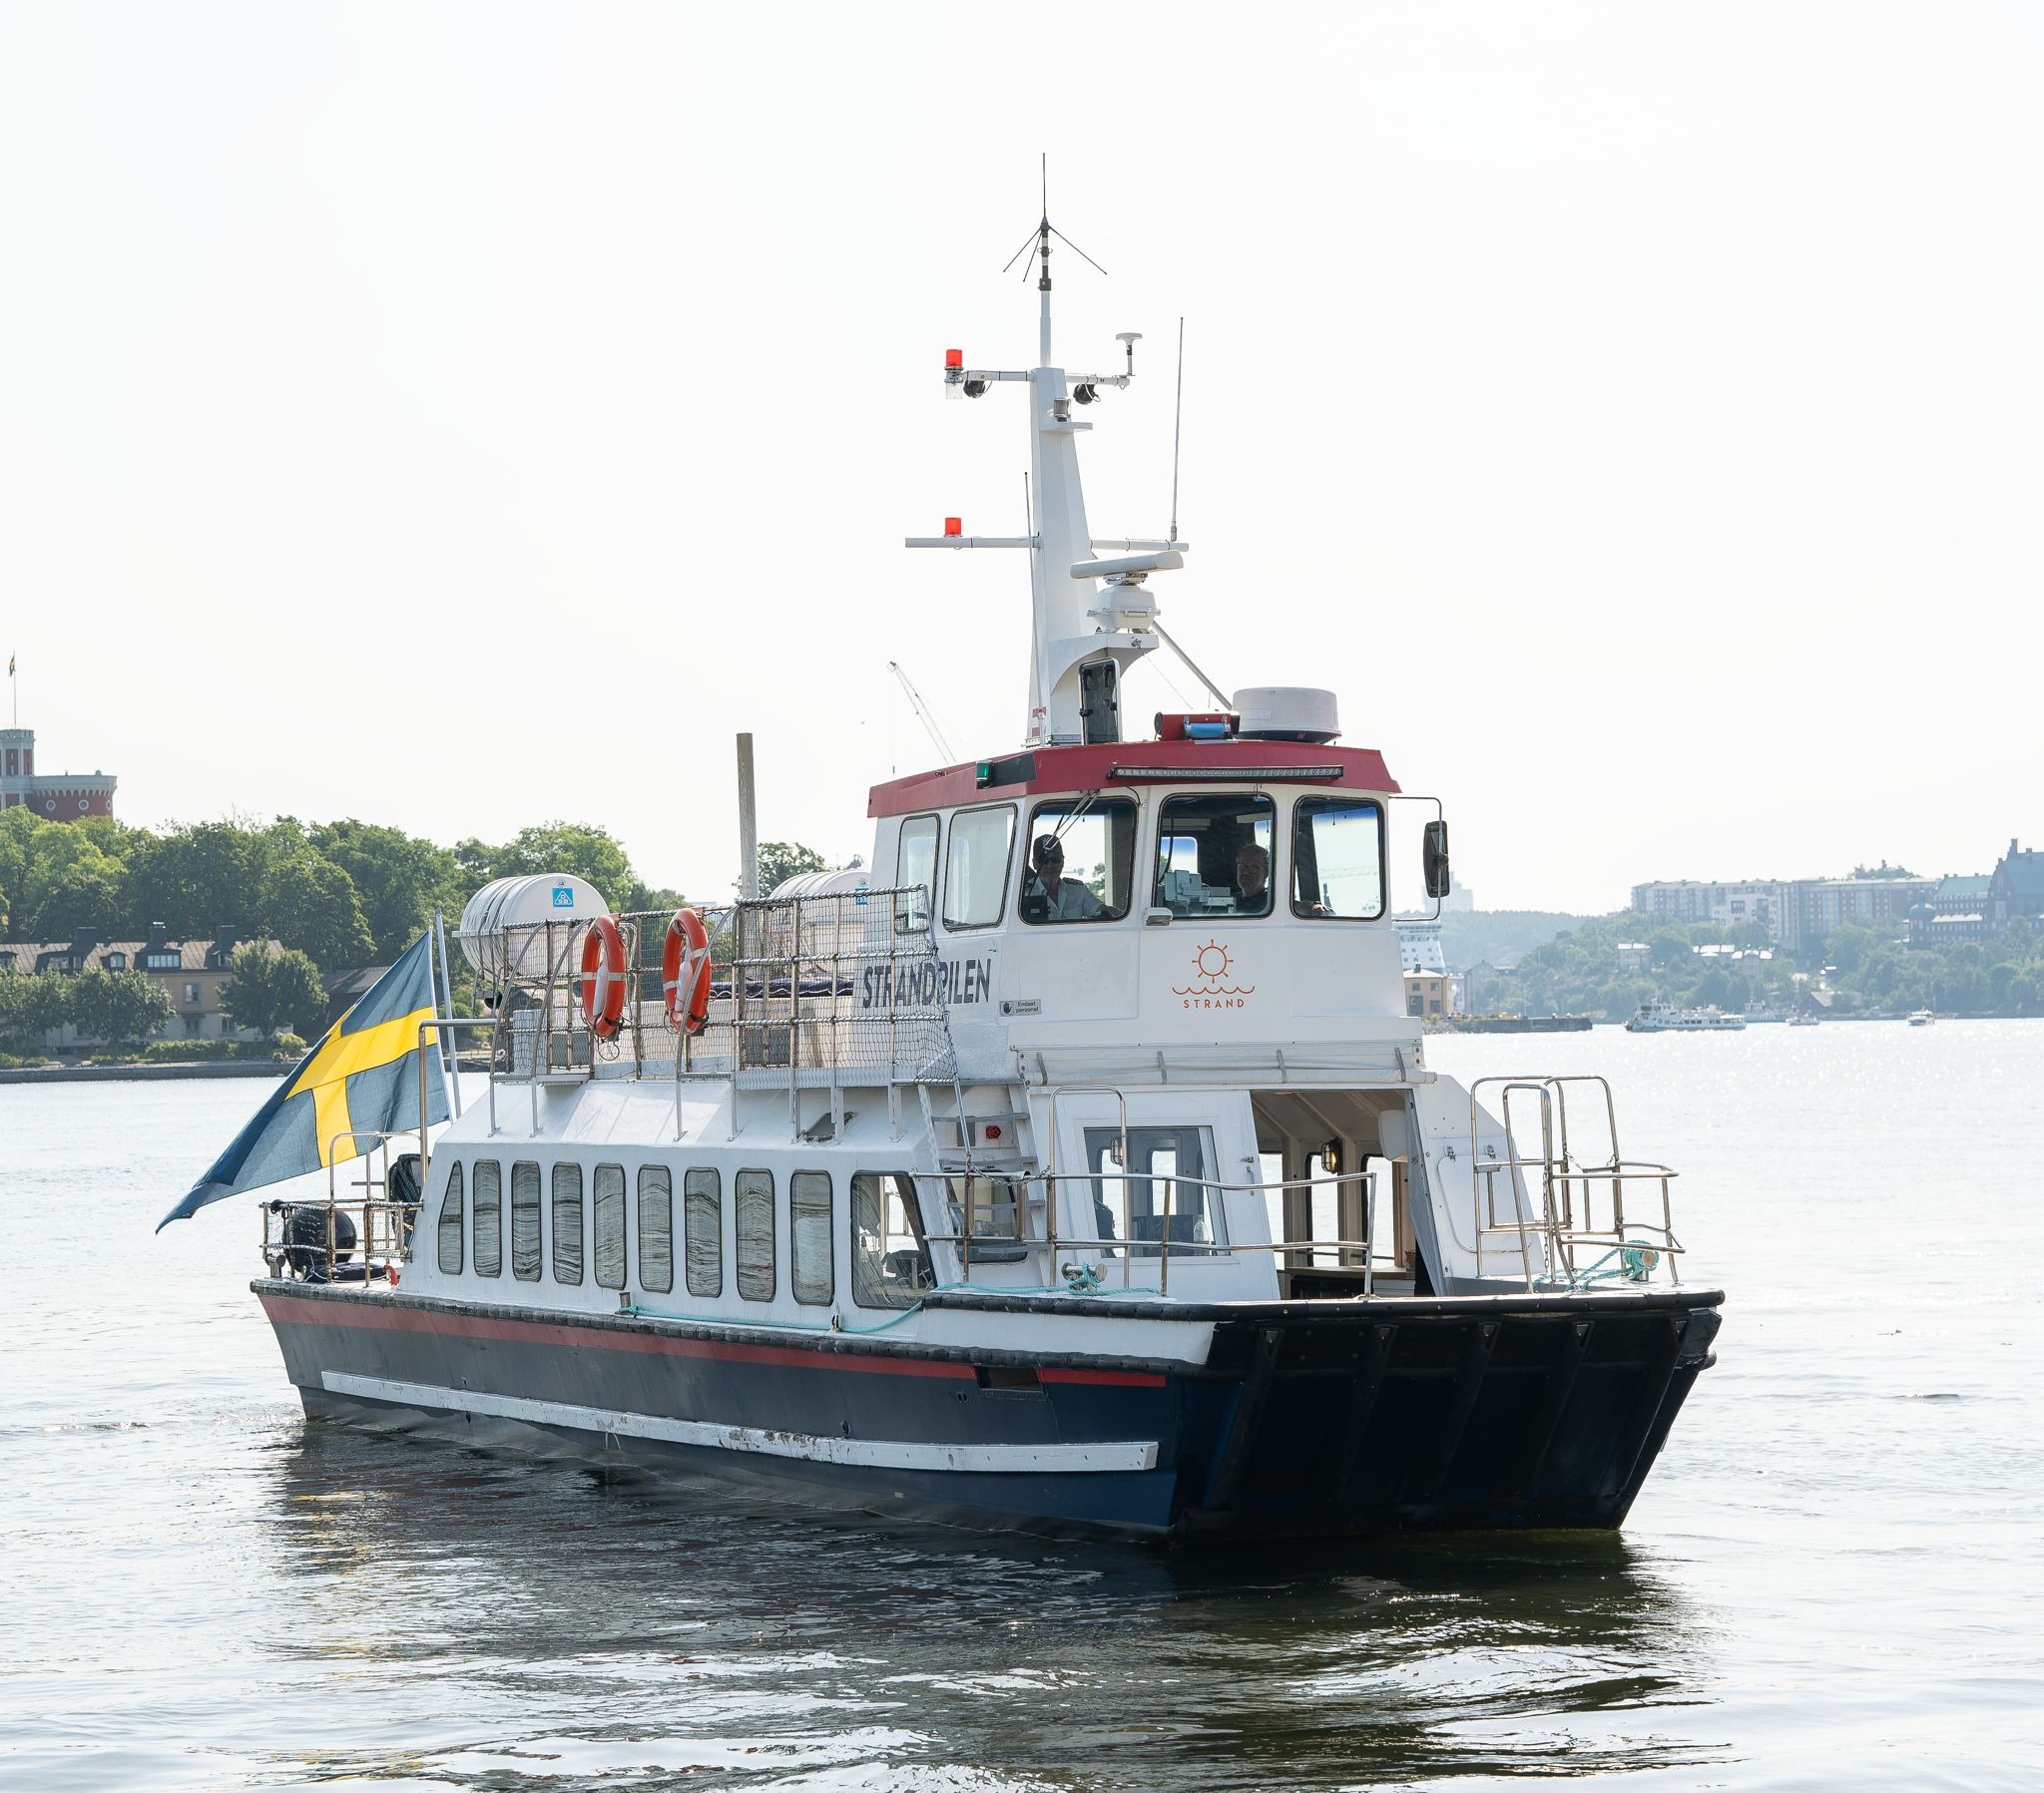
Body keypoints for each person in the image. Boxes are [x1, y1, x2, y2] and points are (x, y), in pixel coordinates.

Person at [1025, 834, 1104, 921]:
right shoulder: (1023, 894)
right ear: (1034, 864)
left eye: (1055, 859)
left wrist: (1119, 917)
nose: (1050, 865)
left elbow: (1102, 909)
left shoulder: (1078, 891)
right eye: (1043, 860)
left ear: (1062, 861)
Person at [1234, 842, 1272, 913]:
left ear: (1266, 873)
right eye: (1242, 866)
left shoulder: (1271, 902)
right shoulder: (1232, 900)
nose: (1245, 872)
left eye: (1253, 867)